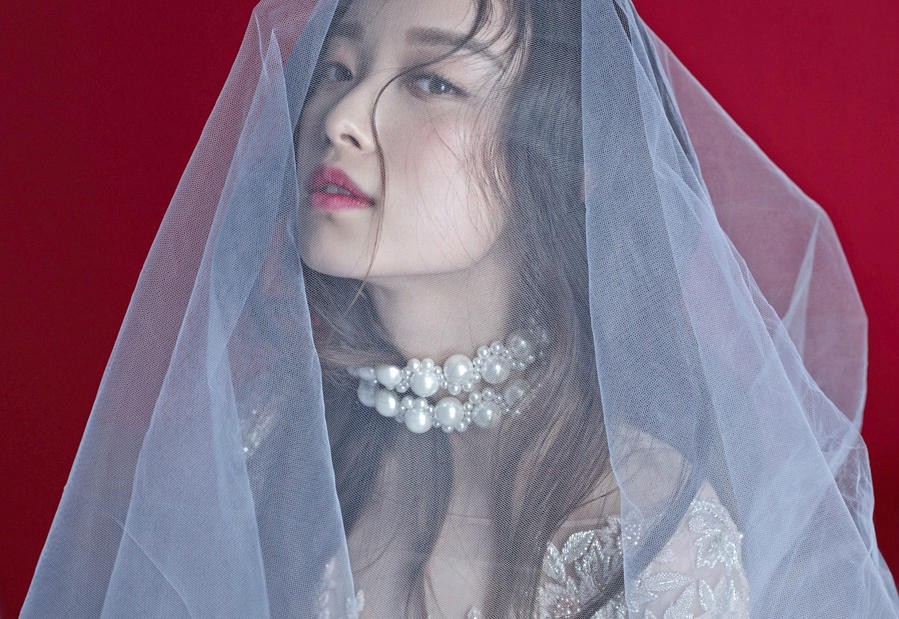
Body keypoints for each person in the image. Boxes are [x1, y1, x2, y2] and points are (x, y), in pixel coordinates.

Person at [21, 0, 899, 617]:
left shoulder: (645, 534)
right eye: (337, 67)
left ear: (568, 155)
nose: (342, 116)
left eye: (431, 82)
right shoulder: (261, 451)